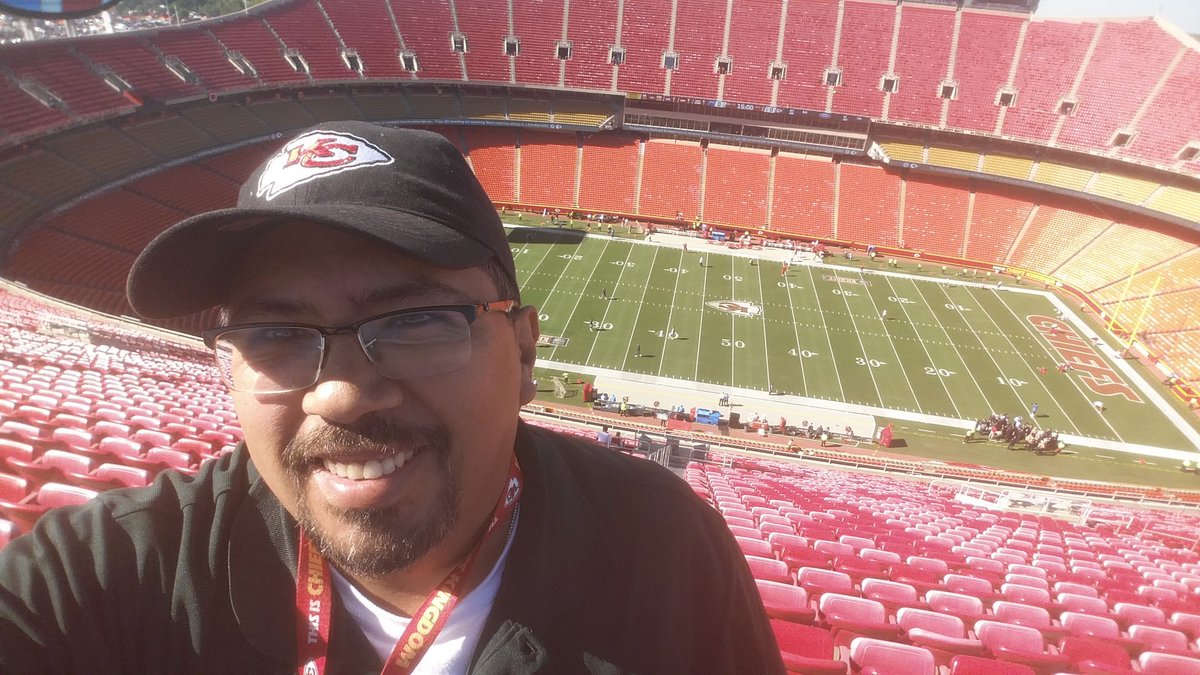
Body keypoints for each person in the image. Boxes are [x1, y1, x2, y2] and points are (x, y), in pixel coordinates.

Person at [0, 123, 781, 673]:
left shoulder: (666, 554)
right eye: (277, 333)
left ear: (522, 349)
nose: (342, 394)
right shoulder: (105, 574)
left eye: (415, 320)